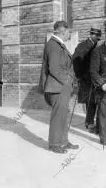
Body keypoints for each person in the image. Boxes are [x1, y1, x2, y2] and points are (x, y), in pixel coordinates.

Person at [38, 21, 79, 154]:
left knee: (63, 114)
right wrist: (67, 80)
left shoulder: (58, 45)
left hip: (61, 86)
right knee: (58, 115)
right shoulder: (54, 45)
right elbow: (54, 68)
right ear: (62, 31)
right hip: (58, 87)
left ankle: (63, 141)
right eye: (68, 32)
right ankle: (55, 144)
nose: (69, 35)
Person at [72, 27, 102, 134]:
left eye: (98, 36)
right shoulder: (82, 46)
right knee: (90, 101)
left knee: (97, 100)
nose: (96, 37)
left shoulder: (98, 46)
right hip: (86, 79)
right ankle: (89, 123)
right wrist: (80, 76)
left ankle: (97, 124)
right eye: (94, 35)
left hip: (96, 78)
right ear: (90, 34)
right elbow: (76, 61)